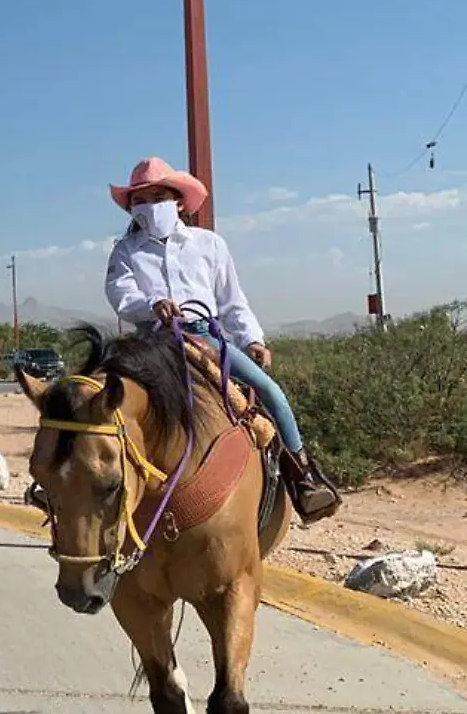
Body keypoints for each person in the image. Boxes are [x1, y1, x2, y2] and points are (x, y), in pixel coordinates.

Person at [105, 157, 341, 524]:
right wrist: (151, 304)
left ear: (179, 201)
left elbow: (233, 301)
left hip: (205, 338)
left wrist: (253, 339)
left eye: (158, 197)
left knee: (269, 391)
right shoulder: (125, 251)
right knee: (100, 400)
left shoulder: (209, 244)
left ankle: (304, 479)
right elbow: (120, 294)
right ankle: (95, 486)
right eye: (140, 200)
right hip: (152, 343)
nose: (149, 207)